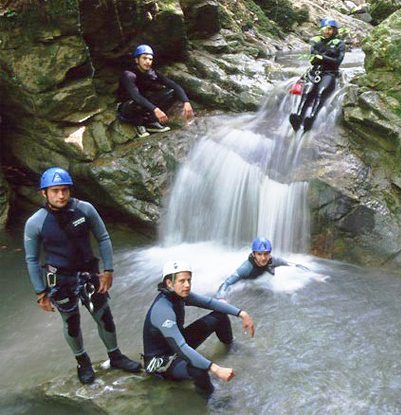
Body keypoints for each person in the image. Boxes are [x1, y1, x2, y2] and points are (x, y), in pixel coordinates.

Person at [24, 167, 141, 384]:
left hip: (88, 274)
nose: (61, 195)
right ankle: (82, 362)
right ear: (44, 193)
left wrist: (108, 270)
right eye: (56, 190)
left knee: (104, 315)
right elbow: (31, 259)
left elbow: (103, 237)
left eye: (65, 190)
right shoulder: (36, 222)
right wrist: (41, 292)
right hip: (60, 279)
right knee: (71, 322)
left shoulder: (84, 210)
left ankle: (115, 356)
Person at [143, 260, 255, 397]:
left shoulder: (179, 296)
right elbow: (181, 347)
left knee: (220, 316)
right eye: (182, 281)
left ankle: (230, 346)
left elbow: (210, 303)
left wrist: (242, 313)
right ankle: (211, 402)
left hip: (176, 344)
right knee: (199, 370)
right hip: (161, 362)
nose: (187, 285)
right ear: (169, 283)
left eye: (189, 280)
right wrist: (216, 369)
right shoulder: (162, 309)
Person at [117, 44, 194, 138]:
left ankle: (150, 122)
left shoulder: (151, 73)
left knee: (172, 91)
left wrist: (186, 101)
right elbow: (135, 96)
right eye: (144, 58)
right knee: (135, 103)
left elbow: (174, 85)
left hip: (145, 103)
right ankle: (138, 124)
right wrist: (156, 109)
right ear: (137, 60)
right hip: (128, 106)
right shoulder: (129, 75)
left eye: (150, 59)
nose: (148, 62)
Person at [289, 17, 345, 132]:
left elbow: (337, 62)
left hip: (329, 73)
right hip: (315, 72)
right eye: (325, 29)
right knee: (306, 94)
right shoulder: (316, 43)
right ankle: (298, 117)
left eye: (330, 29)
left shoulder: (340, 44)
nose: (327, 31)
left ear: (334, 30)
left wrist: (322, 57)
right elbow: (313, 60)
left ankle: (311, 118)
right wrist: (319, 58)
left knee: (320, 93)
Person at [216, 237, 307, 299]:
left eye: (266, 254)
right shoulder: (246, 268)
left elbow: (296, 265)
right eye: (259, 254)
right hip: (247, 288)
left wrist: (316, 275)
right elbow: (226, 283)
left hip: (265, 286)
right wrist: (221, 299)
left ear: (270, 253)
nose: (263, 258)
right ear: (253, 254)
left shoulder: (273, 260)